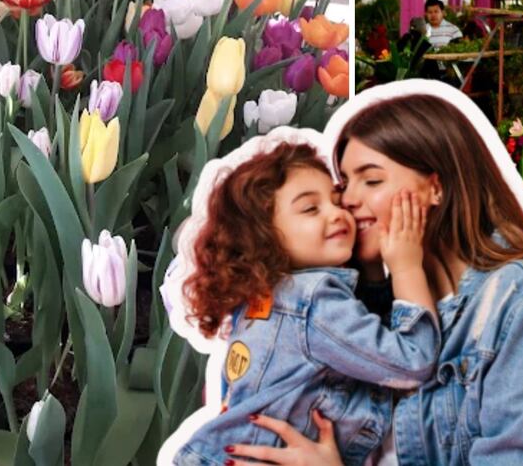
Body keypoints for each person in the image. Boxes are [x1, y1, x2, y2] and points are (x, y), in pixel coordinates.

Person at [226, 83, 523, 466]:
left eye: (372, 180)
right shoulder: (360, 305)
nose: (347, 201)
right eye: (344, 183)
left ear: (436, 188)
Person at [175, 142, 440, 466]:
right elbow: (411, 363)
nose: (339, 213)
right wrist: (406, 267)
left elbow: (361, 336)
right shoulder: (311, 302)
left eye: (334, 199)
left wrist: (371, 271)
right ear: (264, 235)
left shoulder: (261, 302)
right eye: (310, 209)